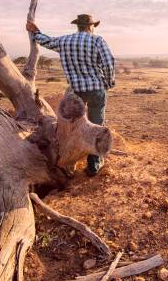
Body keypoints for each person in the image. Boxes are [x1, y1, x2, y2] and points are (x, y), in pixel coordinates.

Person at [26, 14, 115, 176]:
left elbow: (45, 41)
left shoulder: (65, 41)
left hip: (75, 92)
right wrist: (109, 82)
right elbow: (109, 63)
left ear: (78, 26)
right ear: (91, 26)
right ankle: (94, 166)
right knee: (96, 124)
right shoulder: (97, 40)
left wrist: (35, 31)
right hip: (96, 89)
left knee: (74, 126)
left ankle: (67, 161)